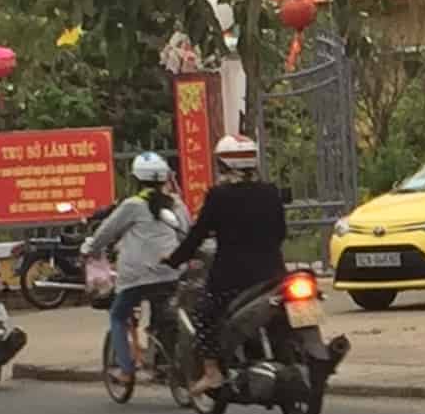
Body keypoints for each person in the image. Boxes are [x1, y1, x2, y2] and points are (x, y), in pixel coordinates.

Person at [165, 135, 286, 397]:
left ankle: (212, 372)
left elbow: (197, 235)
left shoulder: (219, 196)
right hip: (274, 275)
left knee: (204, 313)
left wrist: (173, 259)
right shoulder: (271, 191)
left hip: (233, 279)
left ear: (223, 165)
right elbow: (280, 232)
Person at [83, 152, 189, 390]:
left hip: (137, 277)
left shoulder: (132, 205)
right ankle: (168, 360)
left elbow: (106, 233)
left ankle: (127, 370)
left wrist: (92, 249)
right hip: (172, 271)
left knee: (118, 316)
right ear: (165, 178)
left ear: (136, 179)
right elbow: (187, 232)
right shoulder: (177, 204)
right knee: (166, 313)